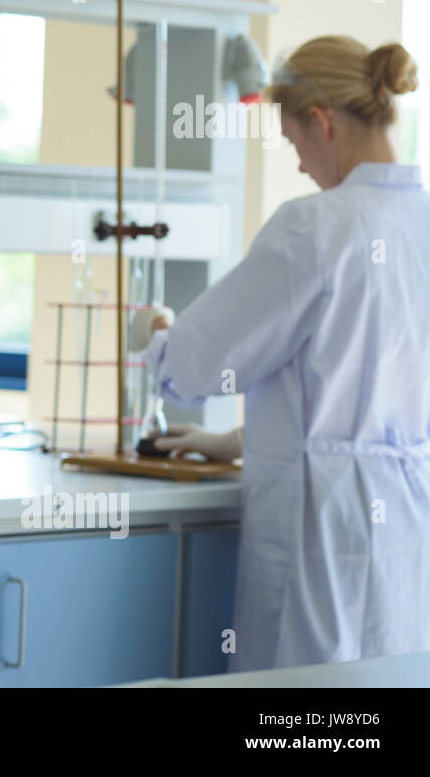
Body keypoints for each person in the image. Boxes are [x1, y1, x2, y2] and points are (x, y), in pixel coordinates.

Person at [136, 35, 429, 672]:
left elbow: (199, 363)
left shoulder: (317, 225)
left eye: (295, 142)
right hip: (409, 521)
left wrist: (157, 335)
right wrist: (240, 440)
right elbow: (369, 387)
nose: (298, 164)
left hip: (322, 526)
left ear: (320, 123)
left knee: (299, 731)